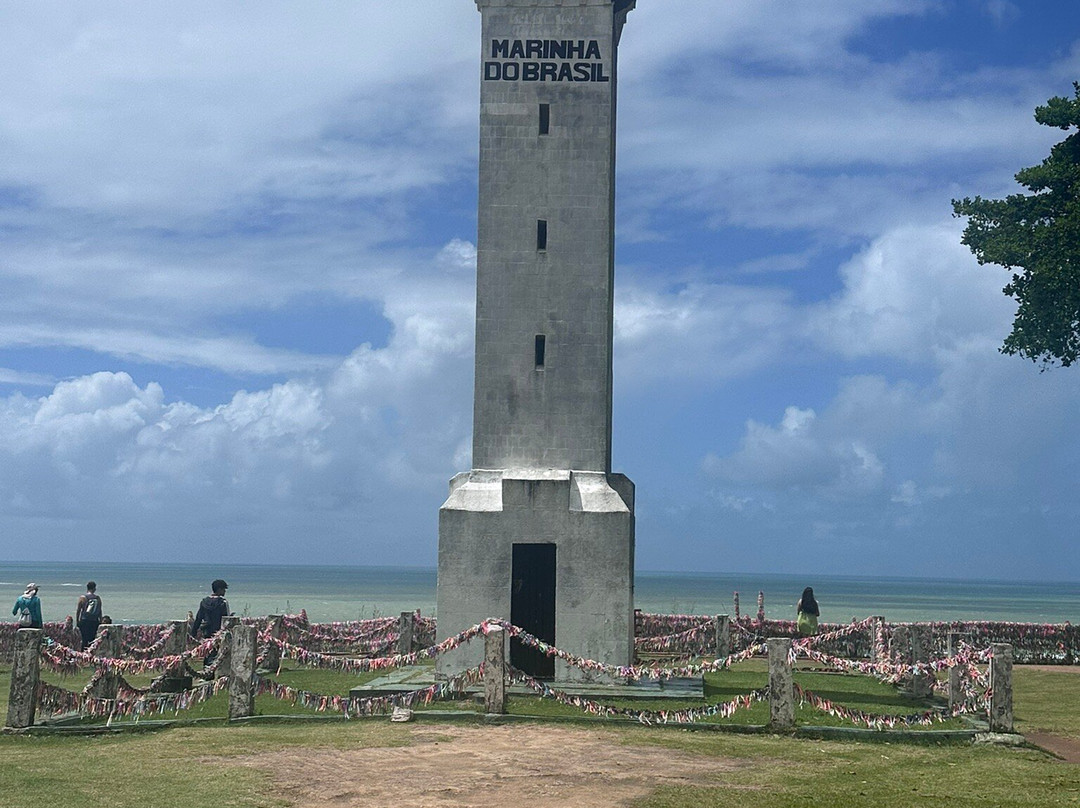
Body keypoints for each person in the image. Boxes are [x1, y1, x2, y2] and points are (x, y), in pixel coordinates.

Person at [191, 579, 231, 666]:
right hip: (219, 631)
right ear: (219, 589)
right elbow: (226, 619)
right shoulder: (223, 602)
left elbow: (198, 618)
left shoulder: (204, 602)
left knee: (207, 650)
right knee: (218, 653)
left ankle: (206, 669)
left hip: (207, 630)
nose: (224, 591)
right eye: (224, 589)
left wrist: (193, 633)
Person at [76, 581, 103, 648]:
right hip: (94, 621)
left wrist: (77, 621)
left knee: (84, 639)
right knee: (92, 640)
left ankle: (83, 654)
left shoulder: (83, 597)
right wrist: (100, 620)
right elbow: (100, 610)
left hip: (84, 620)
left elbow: (78, 610)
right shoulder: (97, 598)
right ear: (94, 588)